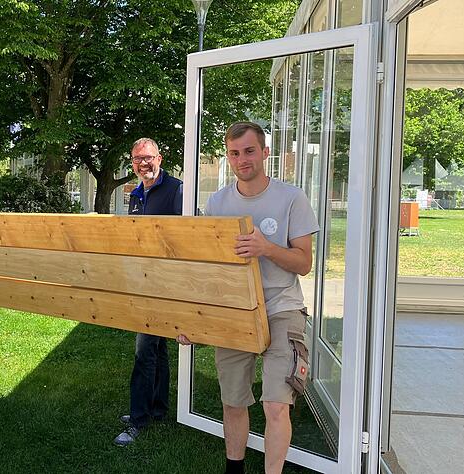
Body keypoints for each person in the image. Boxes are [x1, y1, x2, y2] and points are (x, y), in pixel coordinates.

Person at [176, 122, 318, 474]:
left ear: (265, 152)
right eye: (235, 153)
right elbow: (206, 269)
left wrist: (266, 248)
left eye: (250, 151)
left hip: (282, 309)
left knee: (275, 405)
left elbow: (304, 263)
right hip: (235, 311)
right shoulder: (218, 202)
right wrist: (194, 322)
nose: (242, 159)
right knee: (233, 402)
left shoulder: (291, 197)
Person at [114, 138, 183, 446]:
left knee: (144, 351)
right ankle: (157, 409)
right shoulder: (137, 193)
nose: (143, 164)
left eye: (148, 158)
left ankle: (137, 419)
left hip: (165, 284)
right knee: (158, 349)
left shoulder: (178, 190)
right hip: (143, 281)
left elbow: (188, 237)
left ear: (160, 157)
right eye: (137, 160)